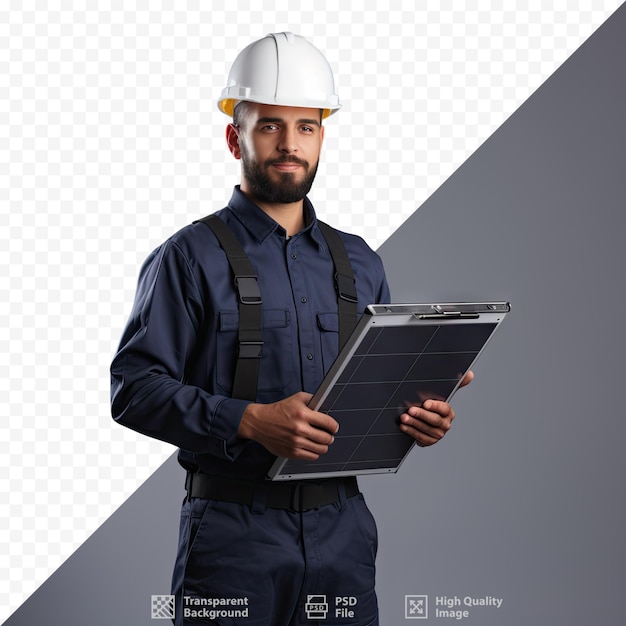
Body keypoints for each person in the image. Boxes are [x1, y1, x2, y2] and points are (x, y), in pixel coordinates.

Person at [110, 32, 471, 626]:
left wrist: (418, 415)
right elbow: (133, 390)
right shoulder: (186, 258)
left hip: (345, 536)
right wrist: (249, 420)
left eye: (306, 126)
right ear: (235, 137)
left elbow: (370, 398)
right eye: (270, 126)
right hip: (231, 538)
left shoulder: (361, 262)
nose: (290, 145)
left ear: (322, 136)